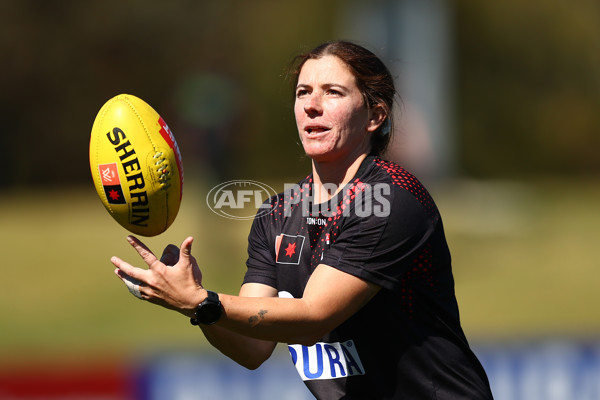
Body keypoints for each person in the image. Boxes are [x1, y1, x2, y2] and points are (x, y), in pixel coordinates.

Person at [111, 40, 494, 399]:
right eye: (302, 92)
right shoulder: (276, 216)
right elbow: (252, 345)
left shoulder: (390, 199)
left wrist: (202, 301)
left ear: (375, 115)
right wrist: (192, 304)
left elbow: (313, 316)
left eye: (333, 92)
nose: (312, 105)